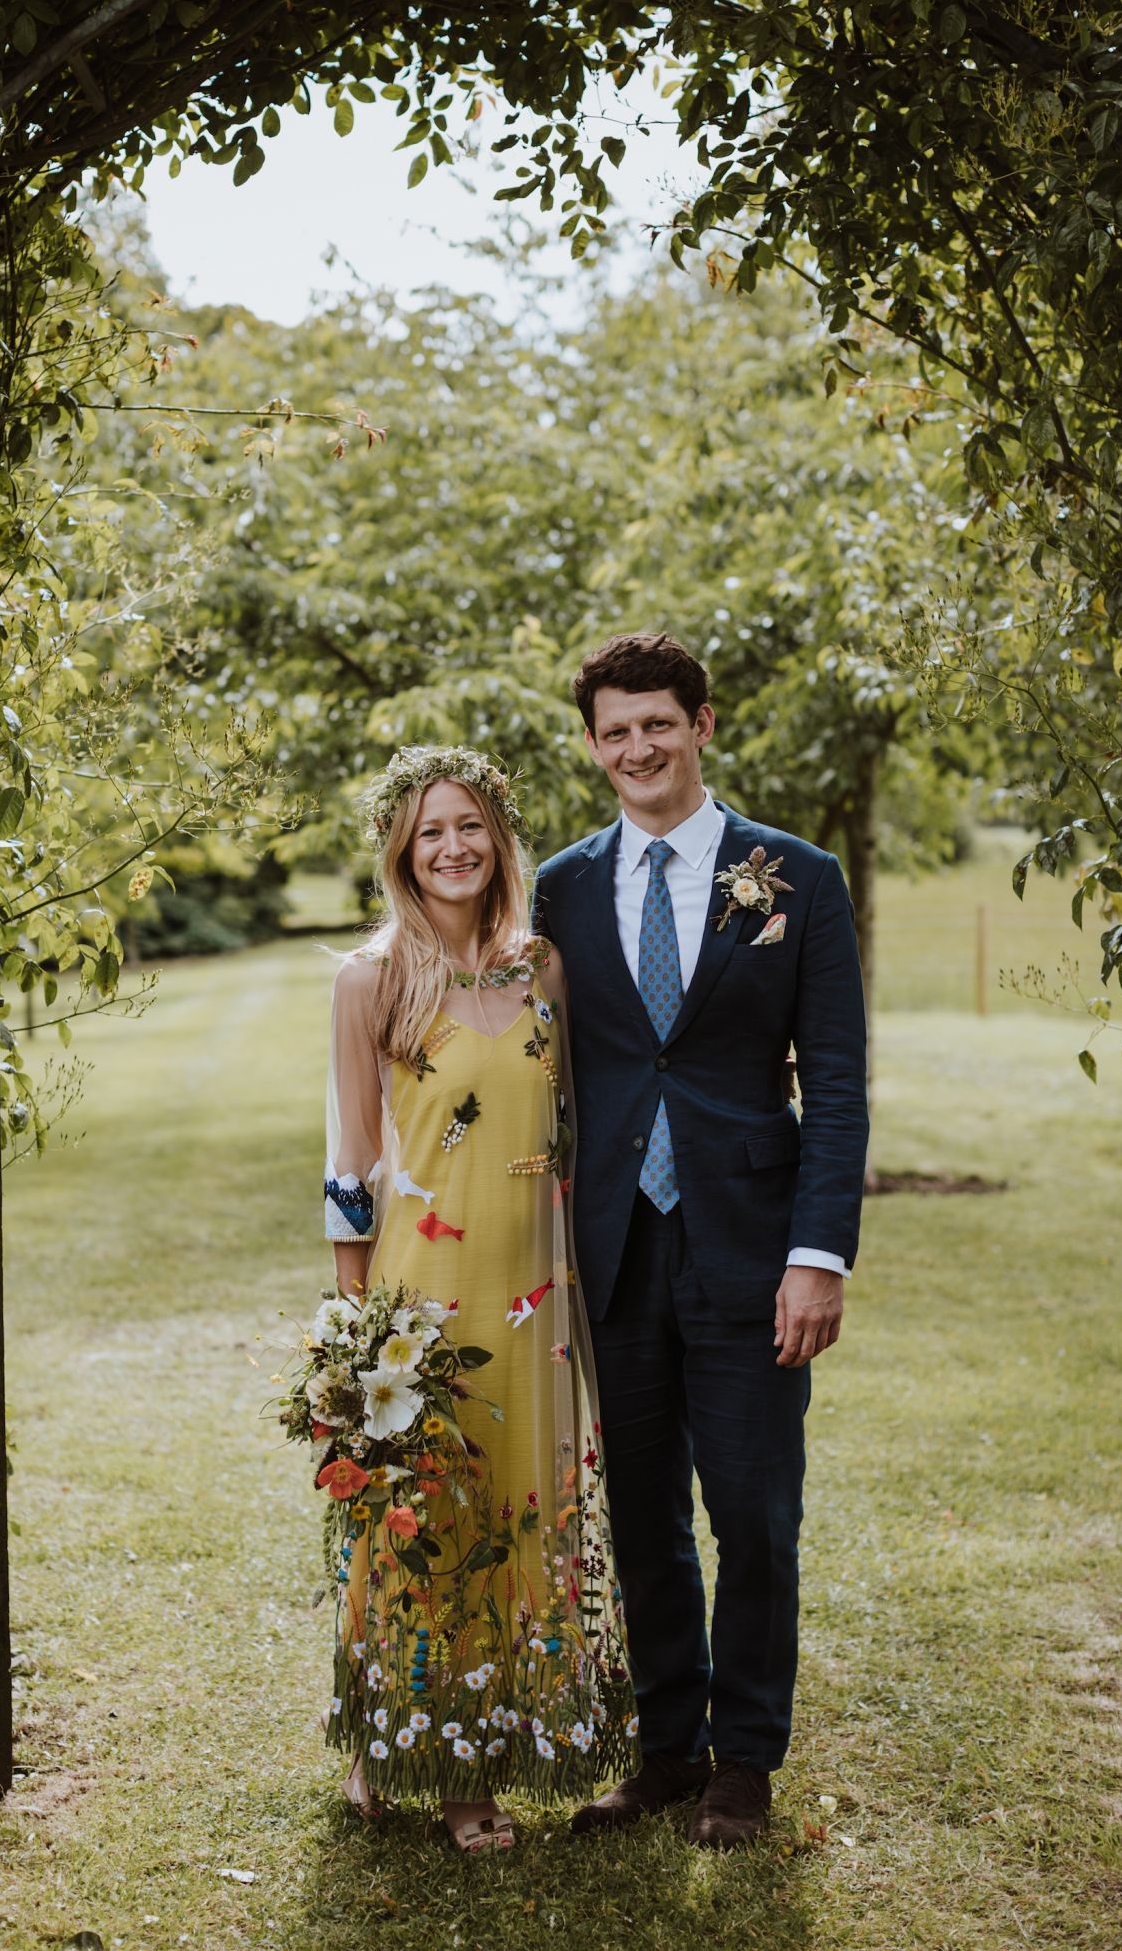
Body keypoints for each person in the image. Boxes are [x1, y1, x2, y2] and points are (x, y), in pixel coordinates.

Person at [533, 633, 869, 1849]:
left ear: (703, 725)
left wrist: (818, 1253)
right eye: (614, 731)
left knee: (755, 1511)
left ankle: (745, 1761)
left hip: (750, 1240)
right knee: (641, 1513)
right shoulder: (562, 887)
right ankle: (664, 1748)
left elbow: (834, 1079)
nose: (637, 749)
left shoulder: (796, 877)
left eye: (657, 725)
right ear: (592, 746)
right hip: (614, 1244)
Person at [322, 744, 636, 1853]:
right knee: (423, 1514)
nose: (451, 848)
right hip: (424, 1296)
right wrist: (355, 1340)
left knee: (514, 1515)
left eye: (469, 827)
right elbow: (348, 1167)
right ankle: (421, 1757)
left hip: (533, 1295)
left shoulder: (540, 965)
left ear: (500, 838)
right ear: (402, 852)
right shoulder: (372, 977)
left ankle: (486, 1738)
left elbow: (568, 1136)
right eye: (428, 833)